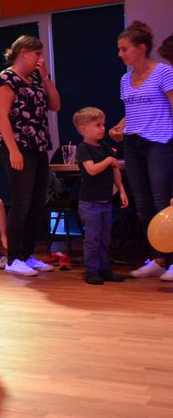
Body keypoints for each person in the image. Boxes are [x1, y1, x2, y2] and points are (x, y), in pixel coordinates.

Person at [108, 22, 173, 280]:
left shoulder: (164, 72)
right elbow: (132, 111)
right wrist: (120, 127)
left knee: (162, 202)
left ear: (141, 48)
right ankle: (157, 258)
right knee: (143, 204)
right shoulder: (125, 79)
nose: (120, 54)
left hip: (159, 143)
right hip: (133, 145)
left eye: (124, 49)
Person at [0, 35, 61, 276]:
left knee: (36, 202)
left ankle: (27, 255)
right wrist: (13, 150)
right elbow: (2, 116)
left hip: (38, 144)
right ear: (23, 52)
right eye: (37, 54)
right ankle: (13, 259)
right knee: (21, 201)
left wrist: (46, 78)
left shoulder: (35, 80)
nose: (40, 59)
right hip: (18, 144)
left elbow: (55, 106)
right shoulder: (6, 78)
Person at [73, 107, 128, 285]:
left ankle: (104, 268)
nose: (103, 128)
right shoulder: (83, 149)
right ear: (83, 128)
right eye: (98, 125)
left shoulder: (104, 146)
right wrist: (109, 160)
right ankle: (91, 271)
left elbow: (115, 170)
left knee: (105, 237)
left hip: (106, 200)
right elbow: (91, 170)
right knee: (93, 238)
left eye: (103, 124)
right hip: (90, 202)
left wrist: (122, 190)